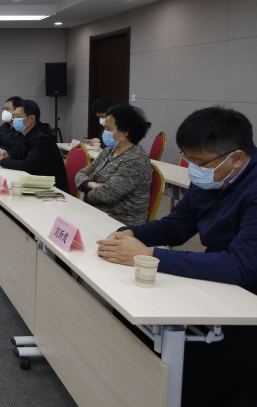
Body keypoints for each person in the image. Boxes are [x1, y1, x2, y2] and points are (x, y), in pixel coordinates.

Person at [96, 107, 257, 406]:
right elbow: (177, 226)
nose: (192, 169)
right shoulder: (213, 176)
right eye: (188, 159)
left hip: (248, 301)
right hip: (220, 283)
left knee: (192, 376)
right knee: (133, 325)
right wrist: (131, 233)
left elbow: (241, 267)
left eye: (199, 162)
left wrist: (149, 255)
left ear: (236, 158)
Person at [74, 104, 153, 225]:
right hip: (97, 212)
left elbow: (106, 195)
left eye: (108, 129)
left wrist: (87, 191)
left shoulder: (136, 160)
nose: (104, 133)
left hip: (120, 222)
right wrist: (94, 184)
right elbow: (80, 174)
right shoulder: (109, 151)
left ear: (125, 132)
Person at [0, 99, 70, 193]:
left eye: (18, 116)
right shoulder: (24, 134)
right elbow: (14, 154)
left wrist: (2, 161)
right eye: (14, 116)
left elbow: (27, 165)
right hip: (33, 185)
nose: (14, 120)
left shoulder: (43, 138)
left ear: (32, 118)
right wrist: (5, 154)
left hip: (51, 190)